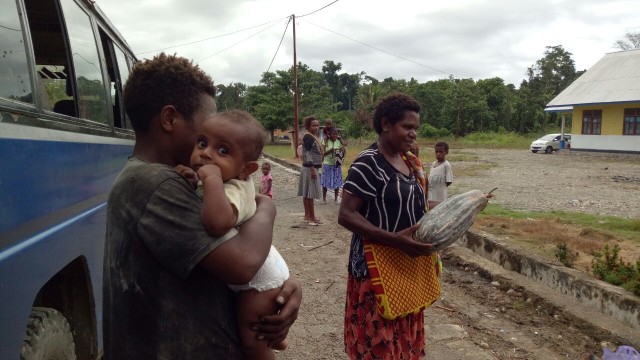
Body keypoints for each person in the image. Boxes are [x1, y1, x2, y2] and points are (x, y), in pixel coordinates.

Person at [103, 53, 301, 360]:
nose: (210, 147)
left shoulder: (177, 179)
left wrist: (280, 284)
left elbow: (232, 258)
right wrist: (266, 207)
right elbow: (243, 262)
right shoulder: (155, 184)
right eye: (204, 131)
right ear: (170, 119)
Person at [177, 110, 289, 360]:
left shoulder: (235, 188)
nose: (206, 153)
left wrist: (211, 180)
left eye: (223, 151)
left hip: (259, 282)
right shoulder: (225, 180)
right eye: (202, 143)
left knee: (254, 342)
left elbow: (217, 223)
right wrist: (196, 178)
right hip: (263, 264)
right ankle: (279, 340)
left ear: (245, 170)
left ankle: (273, 345)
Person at [338, 93, 439, 359]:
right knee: (379, 342)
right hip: (374, 272)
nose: (413, 134)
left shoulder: (409, 162)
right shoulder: (368, 164)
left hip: (407, 266)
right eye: (407, 127)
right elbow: (346, 215)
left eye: (415, 129)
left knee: (403, 341)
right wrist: (394, 239)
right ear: (386, 124)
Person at [298, 115, 324, 225]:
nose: (316, 127)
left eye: (317, 125)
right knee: (310, 194)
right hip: (310, 168)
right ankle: (312, 218)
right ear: (308, 126)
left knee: (306, 193)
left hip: (307, 168)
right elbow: (308, 154)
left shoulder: (311, 137)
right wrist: (313, 169)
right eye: (313, 125)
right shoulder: (309, 137)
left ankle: (307, 215)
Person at [320, 127, 345, 205]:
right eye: (333, 134)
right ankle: (324, 199)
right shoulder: (326, 142)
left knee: (336, 182)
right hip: (327, 164)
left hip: (336, 165)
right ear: (329, 135)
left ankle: (335, 199)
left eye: (336, 134)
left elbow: (343, 151)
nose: (335, 136)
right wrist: (331, 150)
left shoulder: (339, 142)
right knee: (325, 182)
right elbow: (323, 153)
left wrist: (340, 150)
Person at [427, 141, 453, 210]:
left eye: (441, 152)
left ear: (446, 152)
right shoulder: (433, 164)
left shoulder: (446, 165)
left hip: (440, 196)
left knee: (440, 210)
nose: (438, 154)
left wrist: (440, 187)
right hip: (431, 194)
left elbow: (449, 181)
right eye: (436, 152)